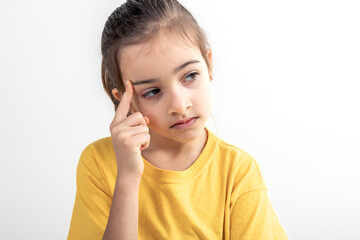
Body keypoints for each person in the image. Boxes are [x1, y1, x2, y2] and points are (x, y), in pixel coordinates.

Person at [67, 0, 288, 239]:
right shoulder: (99, 164)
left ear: (209, 64)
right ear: (127, 102)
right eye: (152, 91)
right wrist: (128, 179)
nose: (180, 106)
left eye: (190, 76)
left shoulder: (238, 171)